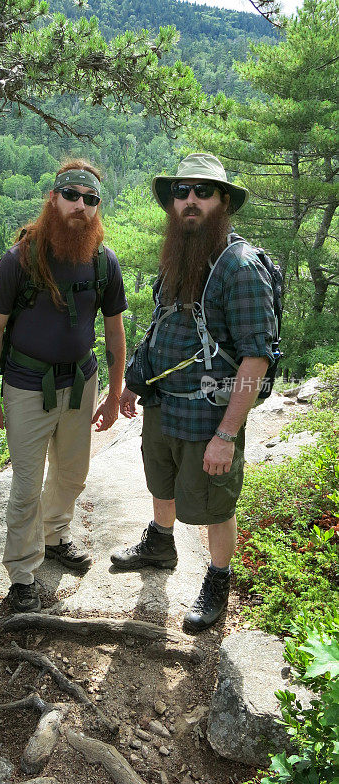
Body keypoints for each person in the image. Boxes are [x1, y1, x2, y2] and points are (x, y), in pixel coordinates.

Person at [112, 153, 275, 633]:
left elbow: (255, 357)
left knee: (213, 504)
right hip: (164, 404)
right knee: (161, 483)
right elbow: (161, 327)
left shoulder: (239, 266)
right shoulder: (179, 255)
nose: (190, 200)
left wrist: (227, 433)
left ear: (223, 201)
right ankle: (160, 544)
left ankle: (219, 579)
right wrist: (135, 382)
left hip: (210, 413)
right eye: (182, 191)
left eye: (203, 192)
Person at [0, 159, 127, 613]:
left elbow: (115, 330)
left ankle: (55, 534)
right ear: (53, 198)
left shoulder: (102, 261)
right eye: (71, 196)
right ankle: (23, 573)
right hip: (27, 386)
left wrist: (114, 391)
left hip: (82, 383)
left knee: (72, 473)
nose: (80, 206)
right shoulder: (20, 259)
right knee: (26, 484)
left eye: (90, 200)